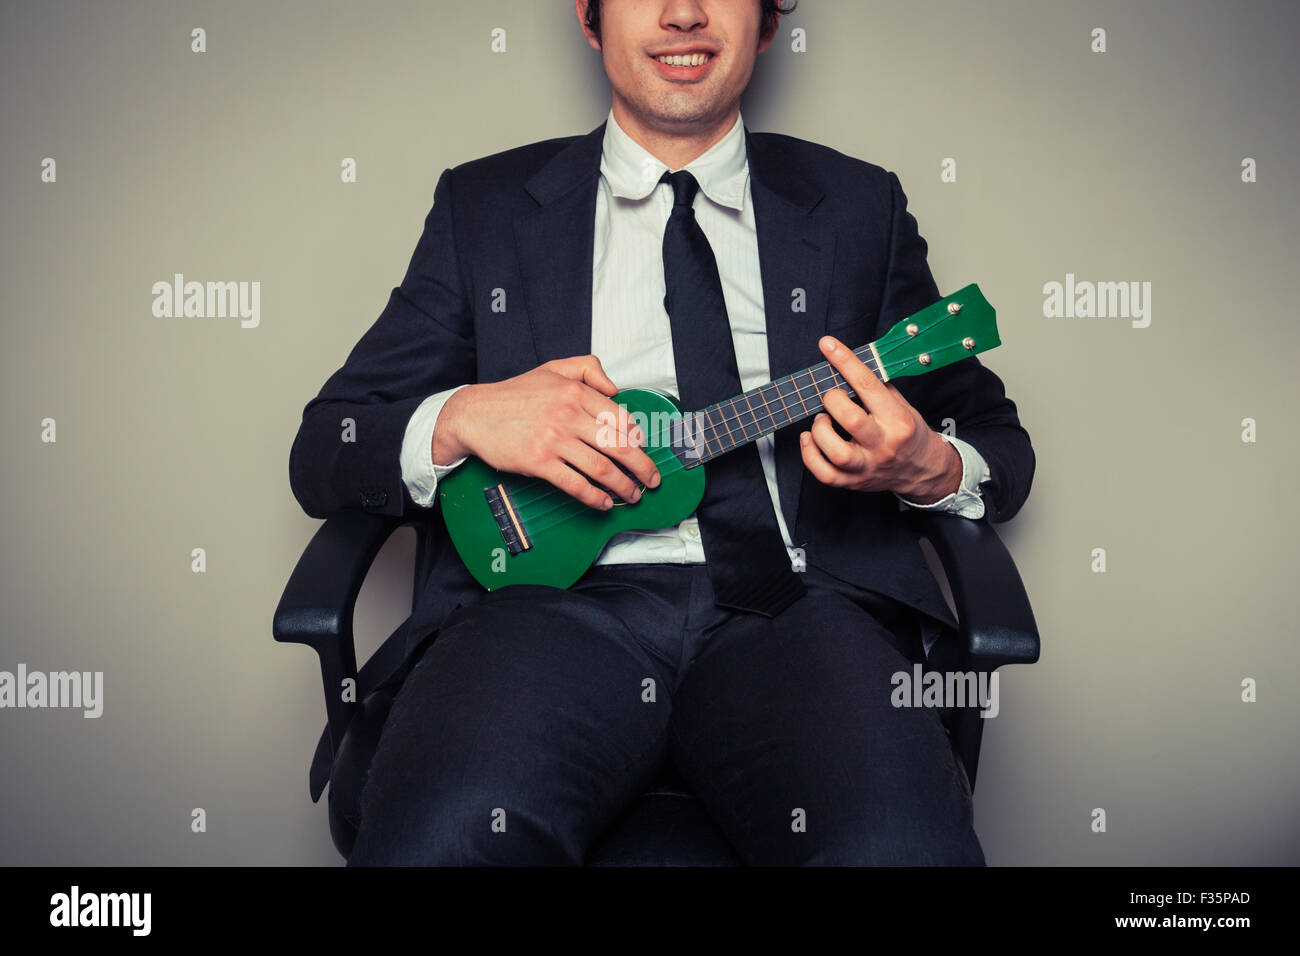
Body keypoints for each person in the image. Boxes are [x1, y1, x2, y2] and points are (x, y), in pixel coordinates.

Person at [288, 0, 1034, 865]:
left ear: (765, 20)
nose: (683, 12)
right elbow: (328, 447)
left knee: (898, 851)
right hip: (544, 613)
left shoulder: (860, 206)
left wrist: (928, 466)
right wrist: (461, 417)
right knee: (444, 839)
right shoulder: (483, 208)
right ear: (590, 16)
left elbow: (996, 442)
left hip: (800, 614)